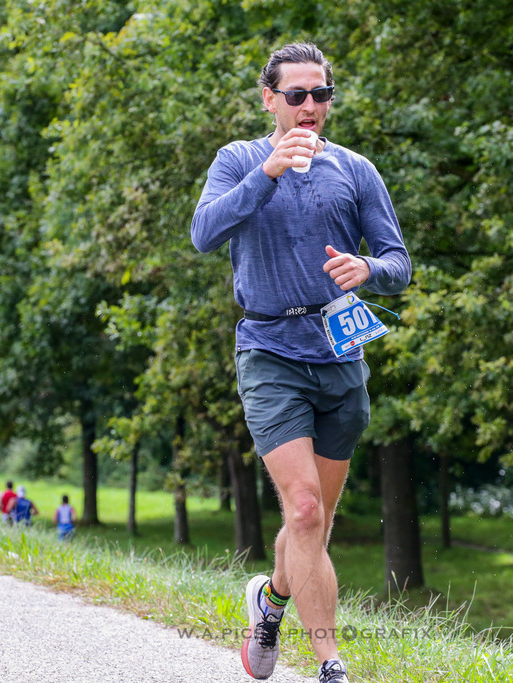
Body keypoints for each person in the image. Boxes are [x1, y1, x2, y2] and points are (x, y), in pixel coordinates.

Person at [191, 42, 411, 683]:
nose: (311, 106)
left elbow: (398, 263)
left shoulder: (356, 170)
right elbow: (204, 234)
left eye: (321, 95)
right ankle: (330, 664)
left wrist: (369, 268)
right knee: (305, 509)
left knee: (313, 520)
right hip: (268, 349)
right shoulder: (239, 160)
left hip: (339, 347)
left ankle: (272, 602)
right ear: (270, 99)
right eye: (297, 95)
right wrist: (267, 176)